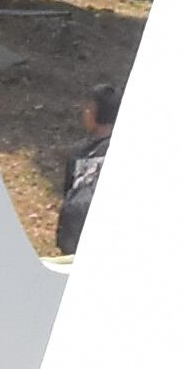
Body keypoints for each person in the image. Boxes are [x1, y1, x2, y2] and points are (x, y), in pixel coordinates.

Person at [55, 80, 122, 255]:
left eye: (87, 108)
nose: (84, 113)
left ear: (96, 112)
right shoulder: (78, 151)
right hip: (74, 231)